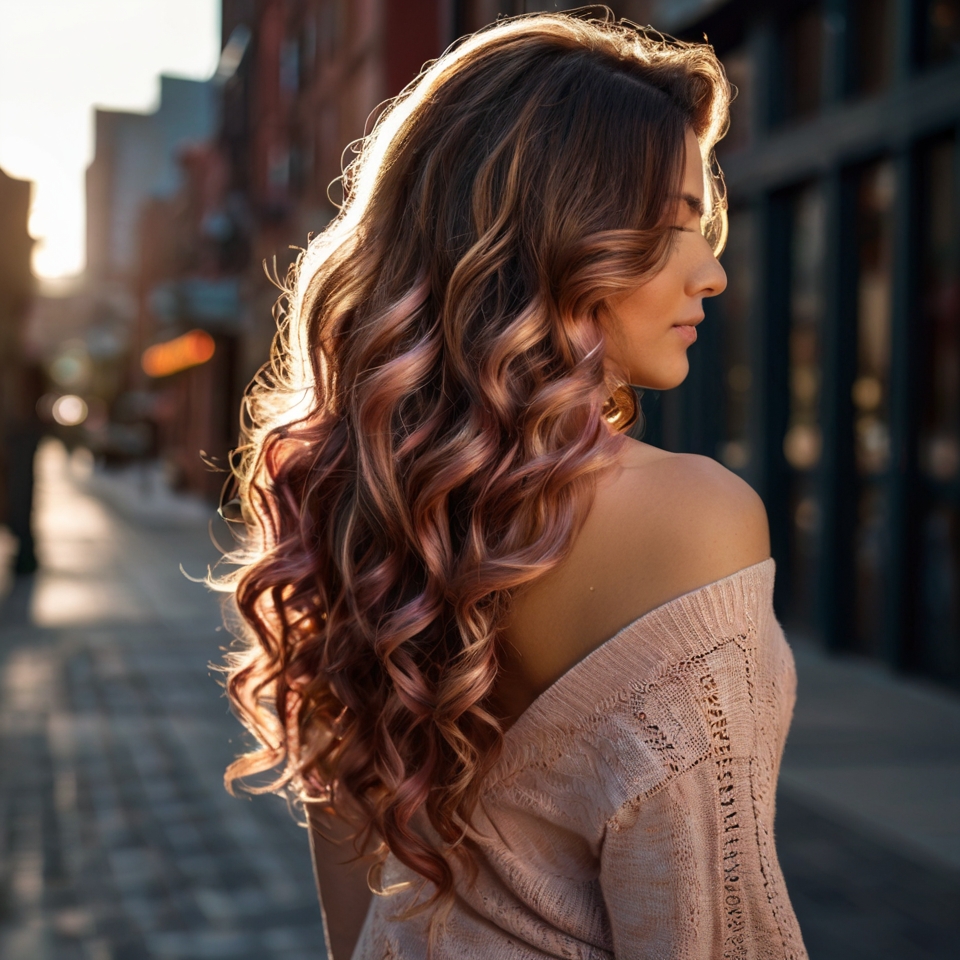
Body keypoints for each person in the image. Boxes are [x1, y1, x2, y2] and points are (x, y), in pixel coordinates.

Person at [219, 10, 807, 959]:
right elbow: (703, 930)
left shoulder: (356, 499)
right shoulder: (694, 519)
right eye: (672, 229)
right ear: (555, 239)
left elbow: (354, 899)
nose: (714, 274)